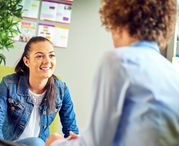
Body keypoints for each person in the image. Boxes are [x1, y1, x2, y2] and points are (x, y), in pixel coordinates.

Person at [45, 0, 179, 146]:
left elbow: (96, 143)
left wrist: (56, 143)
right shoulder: (172, 73)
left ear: (118, 23)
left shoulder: (119, 60)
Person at [0, 36, 79, 146]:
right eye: (39, 56)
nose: (47, 61)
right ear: (27, 61)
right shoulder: (9, 84)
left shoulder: (61, 89)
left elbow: (71, 131)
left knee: (55, 139)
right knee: (36, 142)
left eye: (51, 55)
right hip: (11, 144)